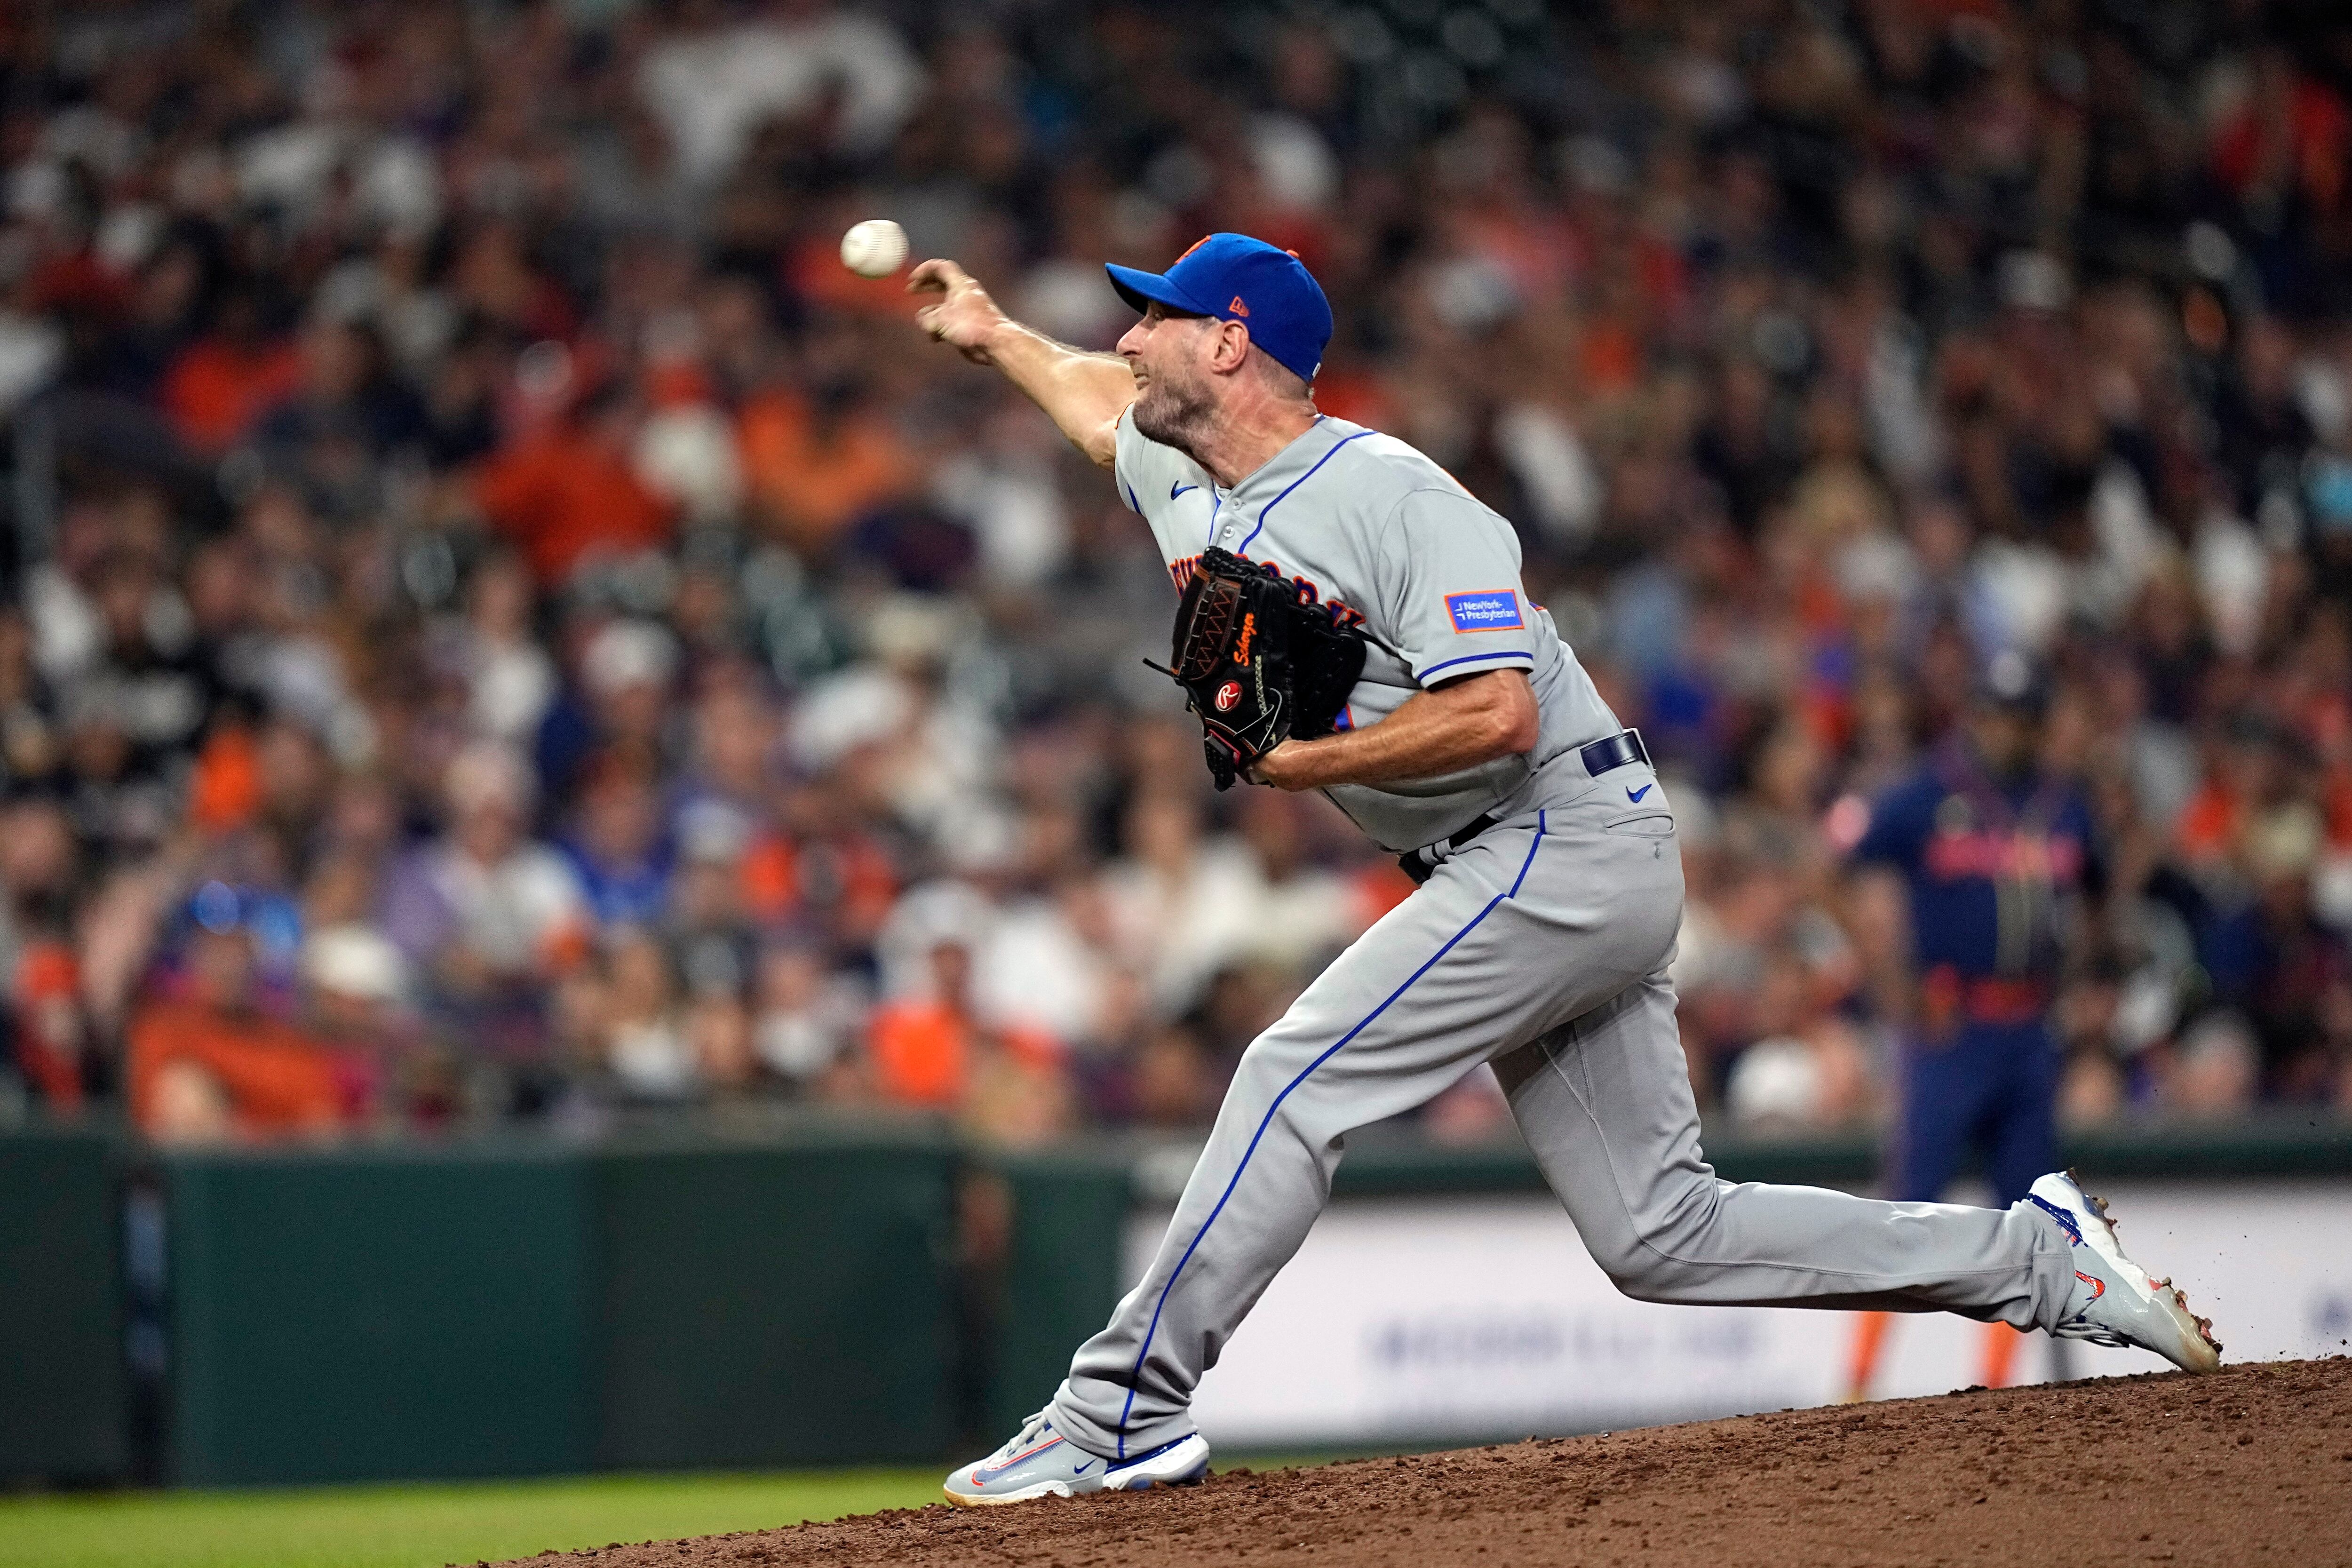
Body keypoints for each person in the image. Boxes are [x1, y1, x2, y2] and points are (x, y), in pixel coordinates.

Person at [908, 234, 2220, 1507]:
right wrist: (995, 336)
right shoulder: (1171, 456)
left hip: (1563, 831)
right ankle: (2043, 1261)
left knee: (1293, 1074)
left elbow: (1497, 713)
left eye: (1158, 317)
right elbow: (1093, 406)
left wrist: (1309, 759)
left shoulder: (1395, 495)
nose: (1130, 338)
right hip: (1494, 857)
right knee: (1663, 1233)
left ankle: (1116, 1409)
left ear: (1232, 343)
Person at [1838, 652, 2094, 1401]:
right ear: (1975, 716)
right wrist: (1891, 984)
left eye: (2021, 717)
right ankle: (1856, 1385)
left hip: (2028, 1029)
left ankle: (1999, 1393)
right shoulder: (1928, 793)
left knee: (2030, 1218)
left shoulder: (2060, 801)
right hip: (1950, 1028)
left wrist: (2082, 982)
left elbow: (2102, 886)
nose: (2007, 730)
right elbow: (1839, 868)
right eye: (1996, 714)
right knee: (1907, 1209)